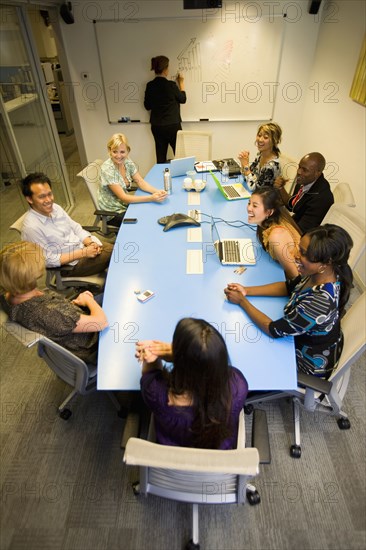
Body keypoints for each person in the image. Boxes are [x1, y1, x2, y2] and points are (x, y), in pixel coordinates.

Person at [224, 224, 353, 379]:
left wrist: (242, 301)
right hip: (302, 339)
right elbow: (289, 286)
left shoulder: (320, 302)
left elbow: (273, 330)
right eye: (299, 248)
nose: (294, 254)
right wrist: (246, 290)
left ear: (325, 264)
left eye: (303, 253)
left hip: (305, 364)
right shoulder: (320, 274)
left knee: (237, 352)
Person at [135, 318, 248, 449]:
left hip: (172, 457)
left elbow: (151, 373)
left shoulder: (156, 394)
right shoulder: (238, 387)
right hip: (220, 459)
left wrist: (156, 352)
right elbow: (211, 367)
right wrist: (181, 355)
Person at [0, 242, 108, 363]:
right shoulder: (47, 312)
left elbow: (60, 315)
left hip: (69, 319)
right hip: (93, 343)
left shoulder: (8, 295)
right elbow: (101, 323)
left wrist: (72, 306)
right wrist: (88, 300)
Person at [21, 172, 113, 277]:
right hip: (70, 265)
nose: (49, 200)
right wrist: (83, 253)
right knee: (117, 253)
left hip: (82, 248)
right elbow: (48, 260)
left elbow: (75, 228)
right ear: (29, 199)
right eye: (42, 197)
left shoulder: (55, 208)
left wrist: (89, 243)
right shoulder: (31, 228)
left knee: (117, 248)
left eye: (49, 194)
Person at [98, 133, 167, 227]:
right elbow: (124, 198)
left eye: (122, 152)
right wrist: (151, 198)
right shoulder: (107, 169)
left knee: (151, 211)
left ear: (128, 151)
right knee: (144, 221)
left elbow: (140, 182)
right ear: (109, 150)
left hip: (124, 204)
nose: (118, 156)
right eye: (115, 151)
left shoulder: (126, 161)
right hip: (113, 211)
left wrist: (157, 191)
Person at [247, 186, 301, 279]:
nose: (249, 208)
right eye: (249, 203)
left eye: (255, 206)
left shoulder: (276, 236)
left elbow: (295, 276)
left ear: (269, 212)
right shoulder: (267, 221)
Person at [275, 152, 334, 234]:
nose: (299, 172)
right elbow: (292, 206)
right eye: (299, 167)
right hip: (294, 224)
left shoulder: (321, 199)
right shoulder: (305, 181)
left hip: (303, 237)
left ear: (317, 173)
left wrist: (280, 212)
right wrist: (281, 188)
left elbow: (301, 232)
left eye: (305, 170)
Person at [144, 55, 187, 163]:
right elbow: (183, 99)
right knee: (180, 155)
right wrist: (181, 83)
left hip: (157, 126)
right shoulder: (171, 85)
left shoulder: (150, 86)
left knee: (160, 156)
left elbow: (147, 106)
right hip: (173, 125)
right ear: (166, 69)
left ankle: (161, 178)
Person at [238, 122, 282, 190]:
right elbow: (247, 177)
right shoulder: (261, 155)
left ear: (274, 141)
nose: (260, 139)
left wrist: (246, 166)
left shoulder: (271, 165)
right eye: (259, 135)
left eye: (266, 137)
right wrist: (243, 163)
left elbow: (255, 189)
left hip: (264, 199)